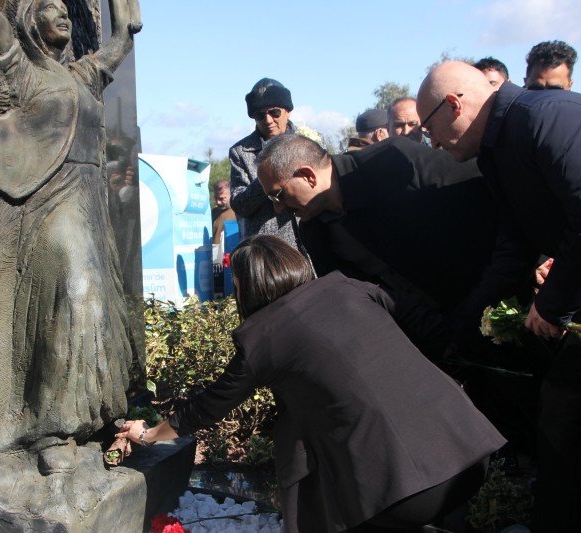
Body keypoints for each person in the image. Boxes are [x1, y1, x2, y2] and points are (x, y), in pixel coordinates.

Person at [117, 236, 505, 532]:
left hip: (407, 490)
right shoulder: (352, 288)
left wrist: (150, 435)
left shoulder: (262, 338)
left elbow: (206, 407)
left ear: (246, 287)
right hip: (470, 451)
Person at [0, 0, 141, 473]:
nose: (63, 15)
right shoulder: (28, 74)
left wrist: (124, 15)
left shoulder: (85, 74)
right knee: (72, 301)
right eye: (50, 9)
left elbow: (119, 44)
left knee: (96, 312)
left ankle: (81, 427)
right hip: (54, 204)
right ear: (32, 21)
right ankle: (48, 431)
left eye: (66, 9)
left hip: (91, 204)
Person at [417, 60, 581, 530]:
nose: (431, 143)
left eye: (430, 129)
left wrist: (552, 304)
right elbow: (516, 244)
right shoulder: (495, 150)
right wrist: (467, 321)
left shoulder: (545, 118)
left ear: (454, 104)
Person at [255, 133, 510, 344]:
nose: (278, 208)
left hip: (503, 303)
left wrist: (533, 260)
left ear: (308, 175)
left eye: (278, 195)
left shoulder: (392, 161)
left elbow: (491, 193)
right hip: (436, 342)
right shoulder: (315, 231)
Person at [229, 78, 299, 245]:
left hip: (310, 244)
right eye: (260, 115)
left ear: (287, 111)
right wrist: (266, 177)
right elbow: (240, 206)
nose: (268, 120)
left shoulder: (310, 142)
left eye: (274, 112)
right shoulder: (240, 151)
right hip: (267, 250)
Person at [211, 179, 236, 246]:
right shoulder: (214, 212)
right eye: (215, 198)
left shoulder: (239, 212)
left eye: (222, 199)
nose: (218, 202)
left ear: (231, 194)